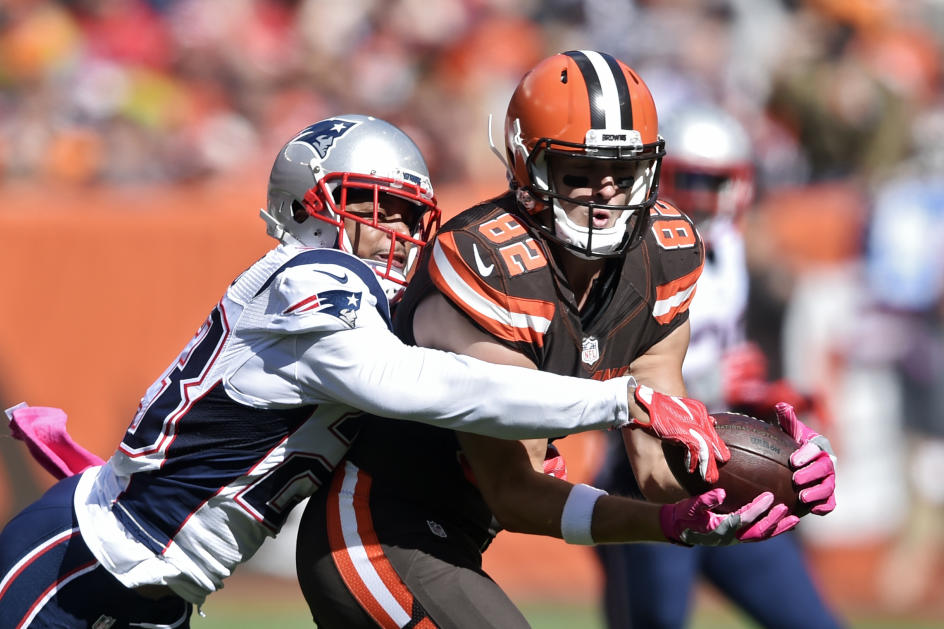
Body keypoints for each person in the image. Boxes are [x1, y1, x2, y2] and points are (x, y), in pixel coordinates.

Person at [0, 114, 716, 628]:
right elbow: (417, 384)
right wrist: (622, 400)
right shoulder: (311, 276)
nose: (398, 233)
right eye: (378, 207)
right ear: (315, 202)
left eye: (409, 215)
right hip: (87, 560)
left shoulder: (356, 302)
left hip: (161, 584)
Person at [296, 51, 836, 628]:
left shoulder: (665, 256)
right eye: (580, 172)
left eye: (624, 173)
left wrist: (770, 475)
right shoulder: (490, 262)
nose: (606, 195)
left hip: (451, 537)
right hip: (376, 530)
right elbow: (513, 488)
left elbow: (656, 463)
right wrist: (667, 526)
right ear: (529, 166)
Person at [592, 103, 844, 629]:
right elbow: (610, 378)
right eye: (693, 178)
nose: (706, 195)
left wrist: (760, 397)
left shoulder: (728, 248)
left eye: (718, 179)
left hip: (733, 472)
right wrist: (709, 383)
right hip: (649, 472)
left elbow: (720, 367)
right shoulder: (629, 256)